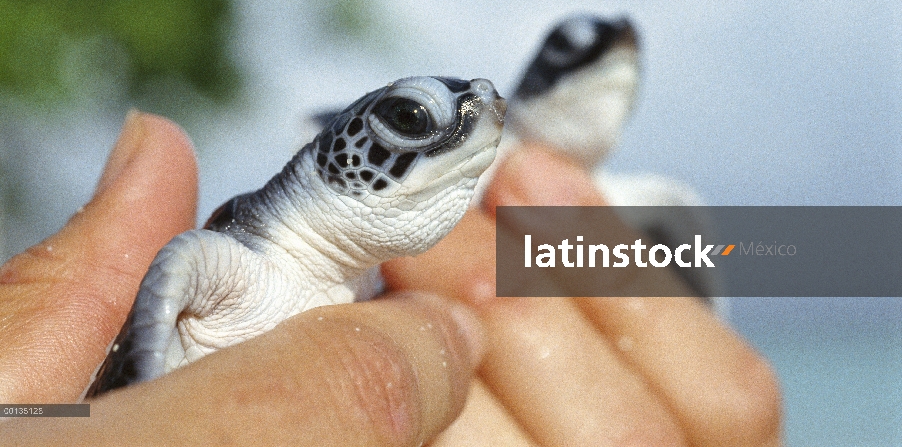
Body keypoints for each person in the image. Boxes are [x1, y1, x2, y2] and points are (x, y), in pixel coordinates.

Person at [0, 112, 782, 445]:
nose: (466, 129)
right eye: (411, 121)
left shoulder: (373, 292)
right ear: (334, 158)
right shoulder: (227, 260)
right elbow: (73, 408)